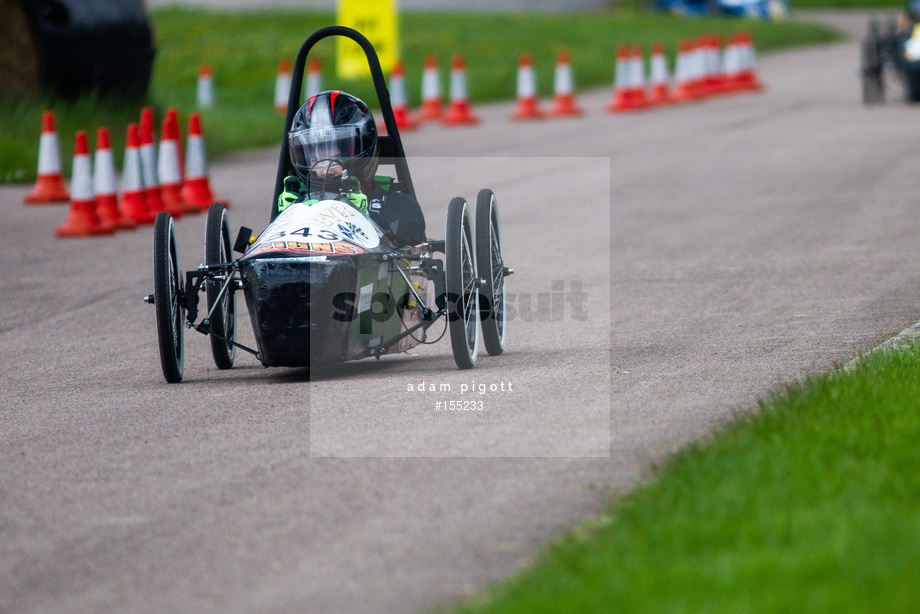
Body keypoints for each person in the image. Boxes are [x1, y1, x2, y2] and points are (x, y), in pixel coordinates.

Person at [278, 90, 427, 246]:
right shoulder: (297, 203)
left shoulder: (394, 204)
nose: (325, 170)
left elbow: (411, 234)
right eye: (316, 159)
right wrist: (286, 218)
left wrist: (365, 218)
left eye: (335, 158)